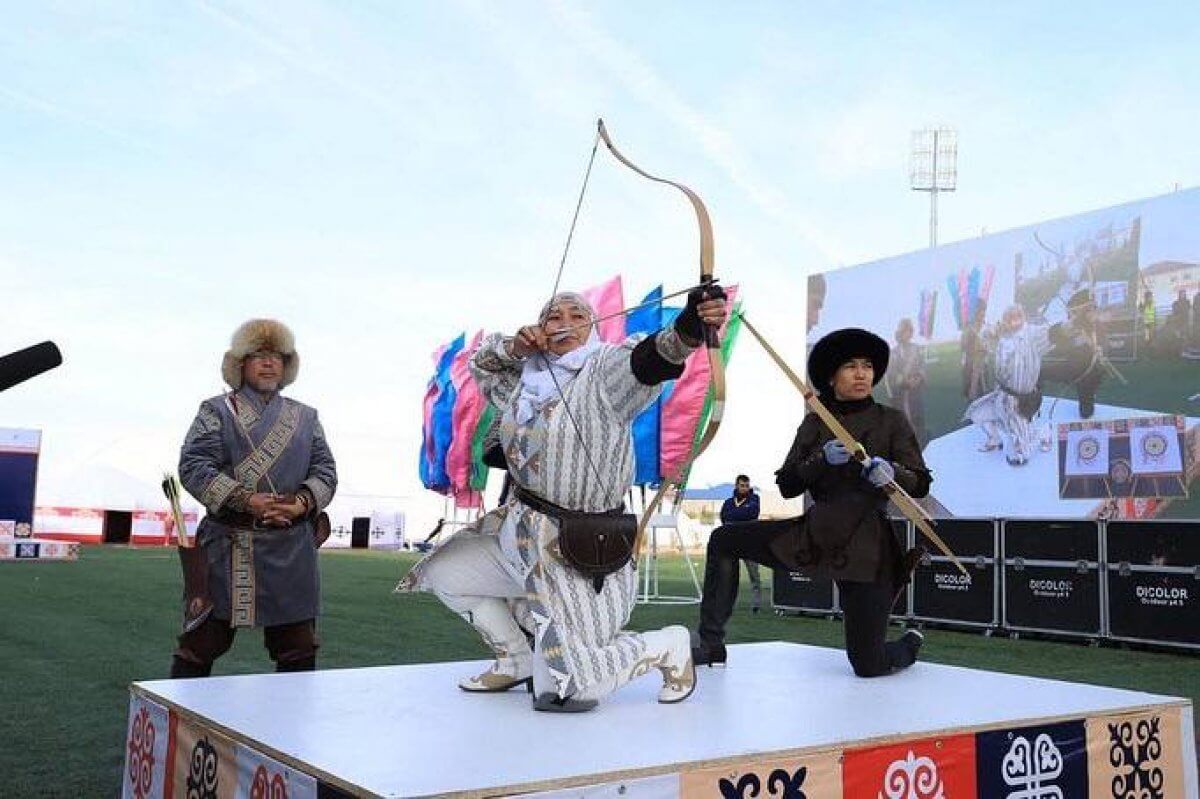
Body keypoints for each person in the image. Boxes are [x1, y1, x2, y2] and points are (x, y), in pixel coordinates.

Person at [398, 286, 728, 711]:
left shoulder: (605, 369)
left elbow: (651, 360)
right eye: (555, 317)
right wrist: (516, 346)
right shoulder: (521, 379)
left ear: (592, 328)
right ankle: (515, 657)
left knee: (574, 689)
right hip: (517, 534)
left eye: (578, 316)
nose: (566, 323)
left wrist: (688, 325)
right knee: (446, 573)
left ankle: (665, 645)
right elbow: (482, 363)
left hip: (580, 548)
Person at [694, 328, 931, 678]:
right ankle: (711, 643)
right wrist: (820, 459)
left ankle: (910, 643)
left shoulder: (891, 420)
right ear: (832, 377)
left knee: (869, 664)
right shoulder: (816, 422)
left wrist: (891, 471)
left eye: (867, 365)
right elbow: (788, 485)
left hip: (867, 547)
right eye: (850, 366)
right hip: (814, 534)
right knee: (724, 539)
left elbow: (921, 483)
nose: (862, 373)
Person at [169, 319, 337, 678]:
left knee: (298, 648)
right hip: (228, 546)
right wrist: (246, 500)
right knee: (200, 642)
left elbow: (325, 471)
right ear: (240, 364)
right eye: (258, 354)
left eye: (277, 355)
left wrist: (302, 502)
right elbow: (193, 465)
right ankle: (176, 725)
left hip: (291, 548)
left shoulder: (306, 418)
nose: (268, 362)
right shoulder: (216, 410)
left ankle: (292, 730)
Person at [964, 305, 1048, 465]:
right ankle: (996, 439)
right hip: (1002, 395)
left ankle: (1043, 434)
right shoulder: (1001, 338)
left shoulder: (1033, 334)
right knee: (977, 413)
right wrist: (995, 331)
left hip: (1021, 400)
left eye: (1017, 316)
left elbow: (1055, 333)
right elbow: (984, 336)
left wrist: (1073, 325)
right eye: (1008, 317)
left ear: (1023, 317)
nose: (1013, 320)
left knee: (1020, 455)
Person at [1039, 289, 1105, 419]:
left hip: (1088, 373)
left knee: (1086, 411)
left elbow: (1100, 345)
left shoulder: (1095, 327)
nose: (1071, 315)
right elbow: (1054, 335)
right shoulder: (1072, 325)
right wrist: (1072, 326)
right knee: (1039, 372)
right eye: (1071, 312)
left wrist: (1096, 344)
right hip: (1071, 367)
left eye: (1075, 312)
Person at [718, 475, 763, 612]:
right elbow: (724, 517)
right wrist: (740, 515)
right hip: (732, 543)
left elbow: (752, 513)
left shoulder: (754, 499)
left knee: (754, 574)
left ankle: (756, 604)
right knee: (730, 574)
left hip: (749, 543)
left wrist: (735, 516)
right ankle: (729, 602)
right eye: (742, 485)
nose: (745, 488)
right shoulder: (728, 502)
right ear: (736, 486)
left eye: (747, 486)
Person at [886, 318, 927, 446]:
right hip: (902, 395)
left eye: (909, 331)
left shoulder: (917, 349)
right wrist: (905, 382)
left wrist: (918, 378)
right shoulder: (894, 353)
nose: (907, 334)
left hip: (915, 394)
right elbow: (892, 374)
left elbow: (922, 367)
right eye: (904, 331)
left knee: (918, 419)